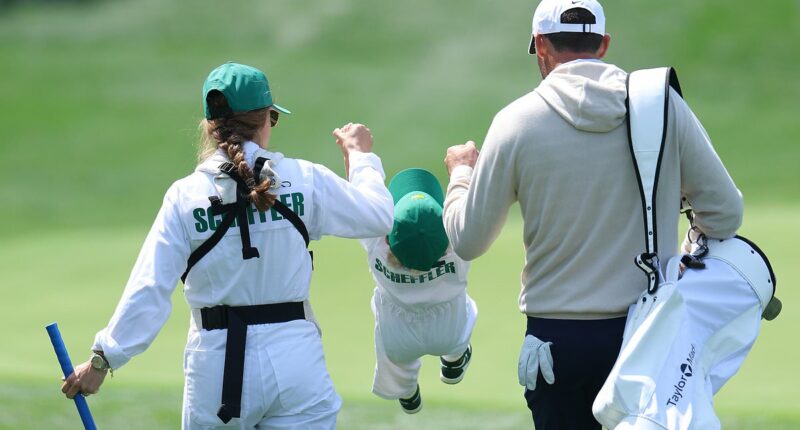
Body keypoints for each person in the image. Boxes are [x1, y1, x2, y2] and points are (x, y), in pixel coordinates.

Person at [441, 0, 743, 428]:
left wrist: (461, 176)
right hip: (649, 335)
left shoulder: (515, 122)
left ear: (541, 45)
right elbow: (726, 215)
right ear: (603, 45)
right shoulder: (661, 107)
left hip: (556, 343)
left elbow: (467, 240)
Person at [60, 61, 394, 429]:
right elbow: (379, 216)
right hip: (296, 363)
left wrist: (102, 360)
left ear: (209, 127)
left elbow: (150, 285)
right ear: (266, 120)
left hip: (215, 370)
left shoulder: (184, 196)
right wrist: (360, 157)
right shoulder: (305, 179)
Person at [359, 168, 478, 414]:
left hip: (398, 339)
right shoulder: (458, 247)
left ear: (389, 238)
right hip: (450, 331)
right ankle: (455, 359)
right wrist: (462, 170)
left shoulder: (376, 246)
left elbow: (364, 198)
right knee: (464, 306)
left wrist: (357, 154)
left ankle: (405, 391)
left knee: (391, 353)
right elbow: (467, 210)